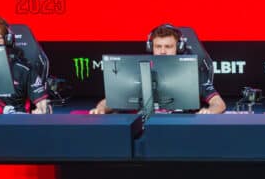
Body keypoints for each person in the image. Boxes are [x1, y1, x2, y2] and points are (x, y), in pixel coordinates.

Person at [90, 24, 226, 114]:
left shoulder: (193, 72)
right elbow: (111, 100)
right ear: (151, 47)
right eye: (158, 46)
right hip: (146, 126)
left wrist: (209, 111)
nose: (162, 51)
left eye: (168, 47)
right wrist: (101, 108)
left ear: (179, 47)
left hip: (181, 127)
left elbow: (218, 103)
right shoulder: (139, 69)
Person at [0, 15, 51, 114]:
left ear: (7, 40)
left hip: (16, 122)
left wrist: (42, 111)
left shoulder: (24, 71)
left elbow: (44, 106)